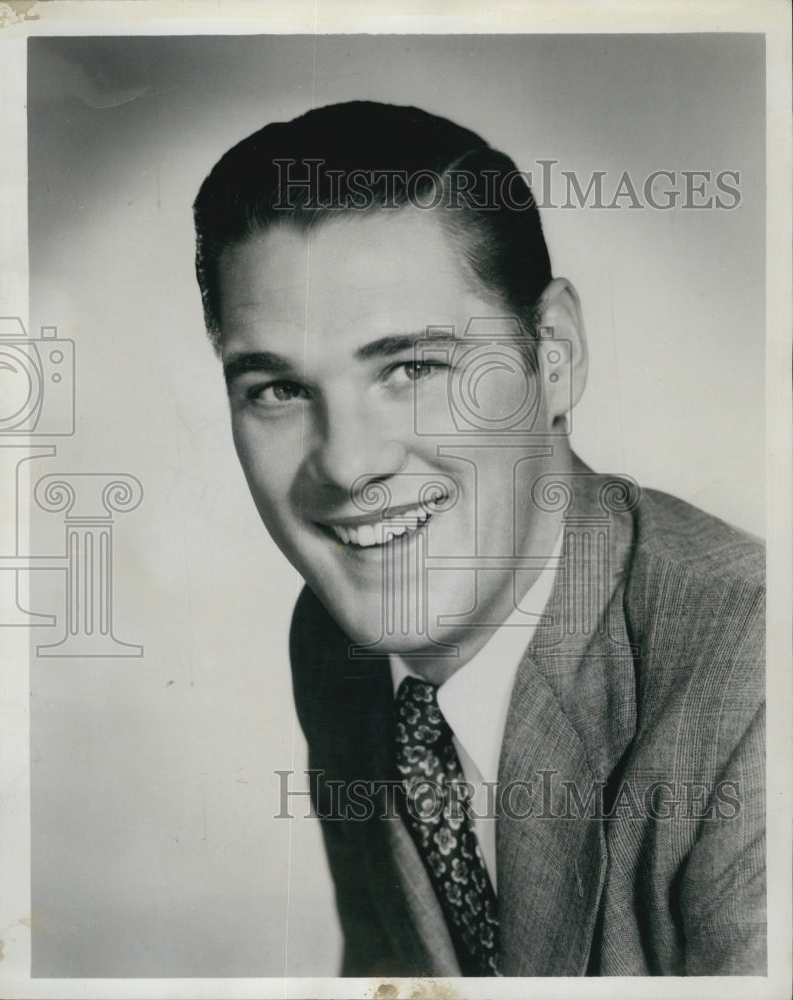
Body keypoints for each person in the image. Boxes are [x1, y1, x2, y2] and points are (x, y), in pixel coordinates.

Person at [192, 101, 765, 977]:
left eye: (413, 368)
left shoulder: (760, 684)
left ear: (556, 355)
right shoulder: (335, 646)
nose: (347, 466)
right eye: (278, 390)